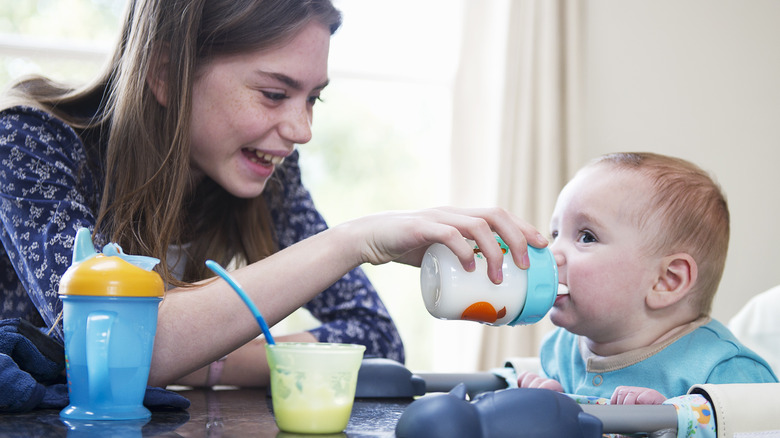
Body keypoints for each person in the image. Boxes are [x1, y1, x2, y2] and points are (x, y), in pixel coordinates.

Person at [0, 0, 549, 388]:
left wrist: (208, 361)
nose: (301, 130)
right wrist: (352, 241)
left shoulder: (263, 172)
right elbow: (112, 348)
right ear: (165, 73)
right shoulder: (29, 145)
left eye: (314, 99)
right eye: (273, 93)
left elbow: (375, 341)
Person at [517, 152, 778, 404]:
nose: (552, 254)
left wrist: (676, 425)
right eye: (555, 234)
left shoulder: (728, 375)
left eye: (586, 236)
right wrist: (549, 400)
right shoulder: (558, 349)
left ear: (666, 281)